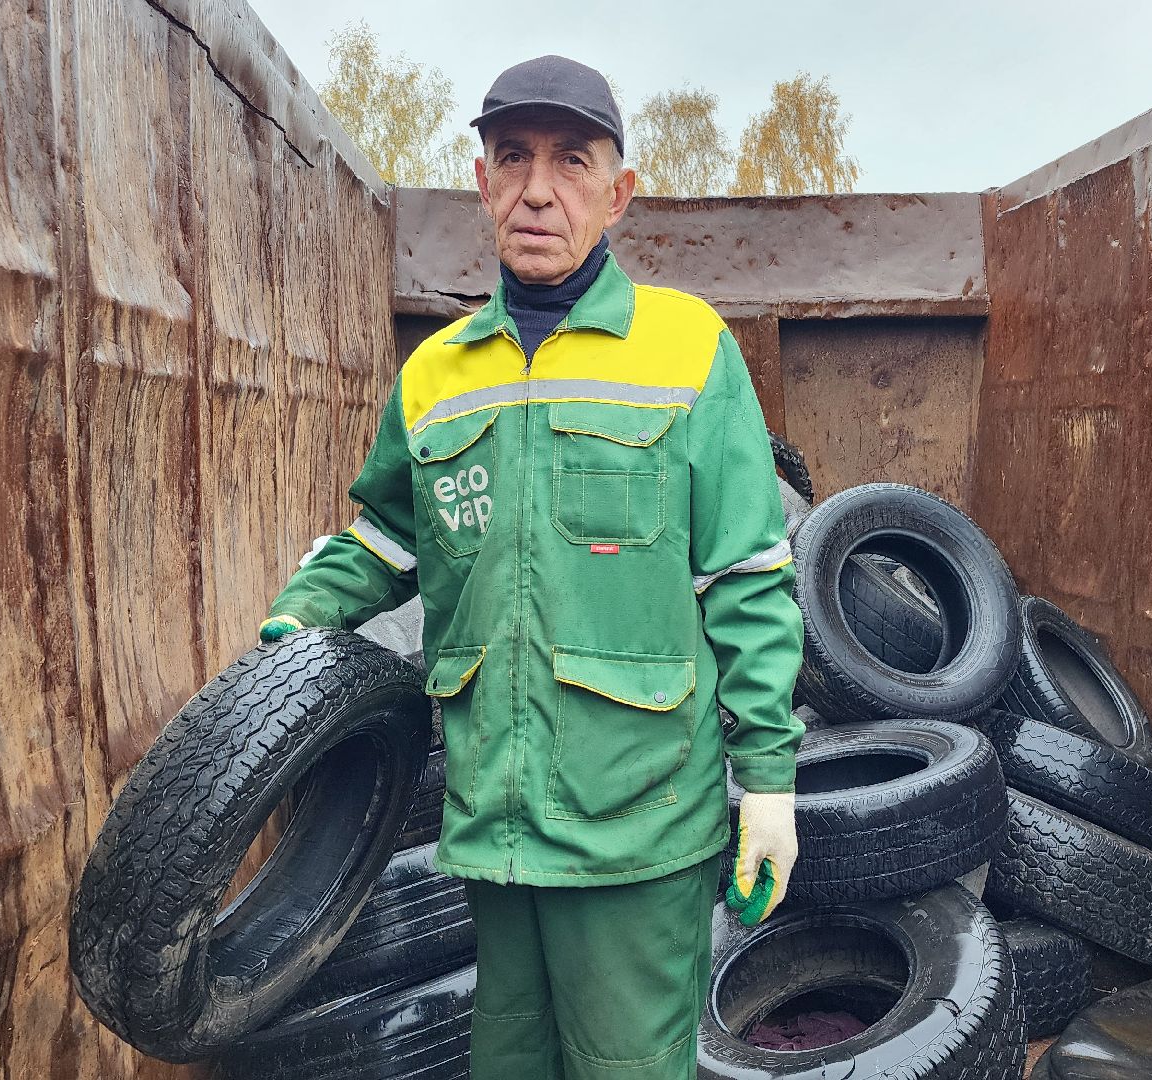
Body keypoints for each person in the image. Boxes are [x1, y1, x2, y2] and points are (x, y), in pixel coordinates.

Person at [257, 54, 803, 1080]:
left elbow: (745, 576)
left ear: (618, 193)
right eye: (512, 159)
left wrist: (768, 781)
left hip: (638, 830)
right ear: (482, 182)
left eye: (570, 161)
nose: (537, 190)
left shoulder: (687, 349)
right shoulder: (437, 375)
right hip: (494, 825)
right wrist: (300, 618)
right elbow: (389, 536)